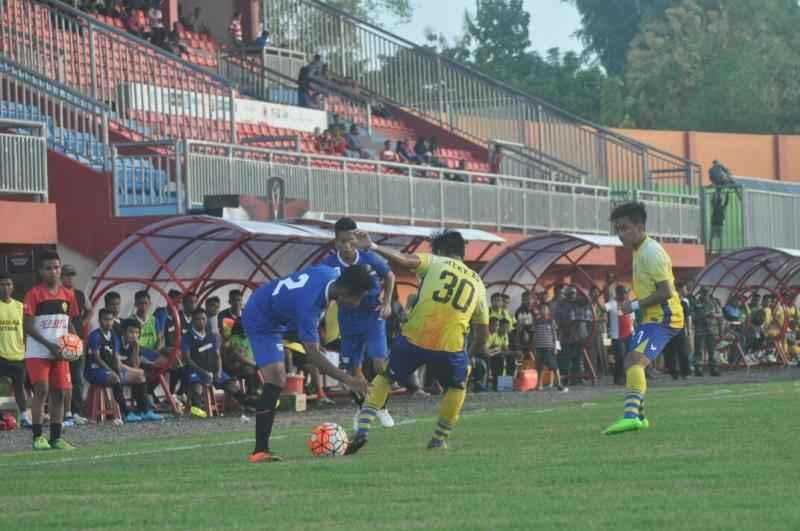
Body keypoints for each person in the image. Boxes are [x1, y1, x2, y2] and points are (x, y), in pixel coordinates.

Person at [347, 229, 490, 453]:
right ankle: (438, 439)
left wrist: (374, 247)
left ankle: (362, 430)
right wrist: (469, 356)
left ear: (441, 250)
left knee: (384, 377)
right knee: (458, 385)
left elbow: (405, 259)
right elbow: (482, 333)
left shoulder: (435, 261)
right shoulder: (479, 284)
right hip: (449, 345)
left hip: (414, 336)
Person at [242, 265, 371, 463]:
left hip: (285, 314)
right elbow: (311, 353)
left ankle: (360, 430)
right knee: (276, 378)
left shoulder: (332, 274)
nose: (358, 303)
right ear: (344, 292)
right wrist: (347, 379)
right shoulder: (310, 306)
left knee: (333, 352)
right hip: (261, 317)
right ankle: (260, 451)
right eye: (358, 298)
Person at [604, 202, 684, 435]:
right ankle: (640, 417)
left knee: (634, 361)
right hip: (651, 318)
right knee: (631, 361)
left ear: (640, 226)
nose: (620, 234)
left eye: (625, 228)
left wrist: (634, 305)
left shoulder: (652, 252)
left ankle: (631, 417)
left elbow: (667, 291)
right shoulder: (640, 250)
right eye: (617, 229)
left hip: (665, 318)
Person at [320, 217, 396, 430]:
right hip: (348, 323)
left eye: (350, 241)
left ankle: (382, 407)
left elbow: (389, 275)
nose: (346, 246)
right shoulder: (328, 265)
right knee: (353, 371)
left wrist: (387, 303)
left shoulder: (369, 258)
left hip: (373, 318)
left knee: (380, 364)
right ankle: (363, 408)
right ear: (335, 241)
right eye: (342, 241)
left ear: (356, 238)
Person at [23, 251, 80, 450]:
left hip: (60, 352)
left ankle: (56, 438)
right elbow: (27, 325)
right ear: (40, 271)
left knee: (59, 393)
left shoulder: (68, 294)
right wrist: (49, 346)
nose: (53, 272)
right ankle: (38, 437)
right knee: (42, 390)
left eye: (56, 267)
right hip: (38, 352)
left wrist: (76, 342)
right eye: (48, 268)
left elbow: (69, 322)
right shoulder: (34, 294)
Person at [61, 264, 90, 427]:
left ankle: (76, 412)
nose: (69, 277)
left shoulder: (79, 294)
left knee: (77, 378)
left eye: (72, 274)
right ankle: (64, 413)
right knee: (63, 378)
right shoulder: (58, 293)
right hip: (63, 341)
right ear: (61, 276)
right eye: (66, 274)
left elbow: (90, 309)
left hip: (77, 340)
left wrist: (84, 322)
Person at [0, 273, 31, 427]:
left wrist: (25, 347)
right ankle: (2, 418)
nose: (5, 288)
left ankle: (24, 417)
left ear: (12, 287)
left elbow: (24, 329)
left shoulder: (19, 306)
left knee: (20, 387)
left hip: (17, 354)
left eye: (8, 285)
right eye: (2, 285)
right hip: (1, 354)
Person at [116, 319, 162, 421]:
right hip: (112, 370)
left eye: (137, 332)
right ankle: (125, 412)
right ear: (123, 332)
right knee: (138, 374)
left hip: (124, 372)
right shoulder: (117, 341)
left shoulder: (134, 344)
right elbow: (117, 365)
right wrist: (135, 371)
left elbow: (135, 365)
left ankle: (144, 411)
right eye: (131, 332)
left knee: (140, 376)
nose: (134, 335)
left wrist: (136, 348)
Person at [532, 303, 567, 392]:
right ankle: (539, 385)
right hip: (539, 347)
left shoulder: (551, 321)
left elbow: (555, 335)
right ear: (539, 311)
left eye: (545, 309)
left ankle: (559, 383)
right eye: (541, 309)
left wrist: (555, 347)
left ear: (548, 311)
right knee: (540, 367)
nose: (543, 310)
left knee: (554, 366)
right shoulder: (536, 321)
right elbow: (535, 334)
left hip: (549, 347)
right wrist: (534, 347)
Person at [605, 285, 633, 385]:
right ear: (617, 293)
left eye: (625, 292)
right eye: (622, 292)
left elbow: (631, 319)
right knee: (619, 357)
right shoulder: (612, 303)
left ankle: (627, 377)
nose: (624, 294)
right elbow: (603, 308)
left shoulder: (628, 304)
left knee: (629, 357)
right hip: (617, 336)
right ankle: (618, 378)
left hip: (629, 335)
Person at [664, 282, 692, 380]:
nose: (686, 290)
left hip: (681, 330)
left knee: (683, 352)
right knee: (671, 352)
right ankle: (673, 372)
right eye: (684, 288)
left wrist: (689, 329)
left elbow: (687, 317)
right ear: (679, 290)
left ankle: (685, 372)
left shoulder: (684, 303)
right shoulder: (670, 301)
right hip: (671, 330)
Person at [692, 287, 720, 376]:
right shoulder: (696, 303)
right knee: (698, 350)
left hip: (711, 330)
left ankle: (714, 368)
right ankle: (698, 368)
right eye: (704, 293)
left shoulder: (714, 302)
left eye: (707, 293)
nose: (705, 295)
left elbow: (720, 314)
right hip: (700, 330)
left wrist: (714, 314)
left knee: (712, 350)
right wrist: (704, 316)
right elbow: (692, 317)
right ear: (700, 293)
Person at [709, 189, 730, 253]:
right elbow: (726, 202)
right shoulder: (720, 207)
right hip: (717, 224)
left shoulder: (717, 206)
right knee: (716, 238)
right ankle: (714, 249)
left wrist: (714, 194)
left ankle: (714, 249)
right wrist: (727, 194)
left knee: (714, 237)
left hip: (715, 224)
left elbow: (712, 201)